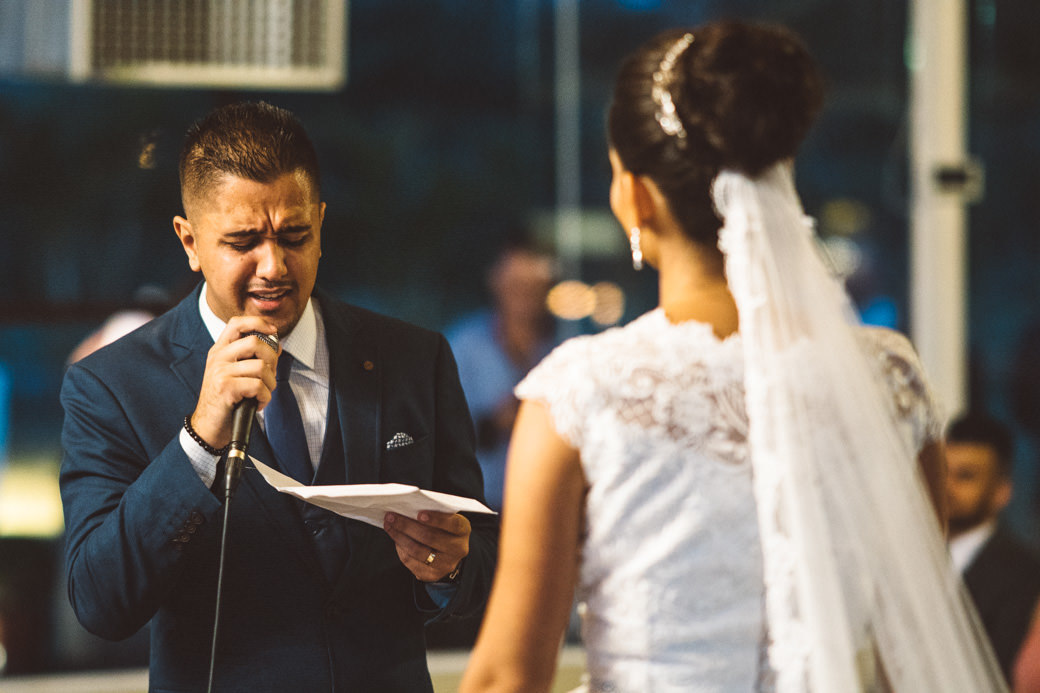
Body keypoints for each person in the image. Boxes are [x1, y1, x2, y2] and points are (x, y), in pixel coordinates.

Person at [461, 21, 1004, 692]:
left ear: (632, 194)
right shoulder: (888, 380)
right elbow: (914, 657)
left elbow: (506, 677)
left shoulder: (580, 395)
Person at [59, 101, 497, 692]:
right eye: (243, 242)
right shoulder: (110, 385)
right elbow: (100, 603)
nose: (274, 266)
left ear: (320, 223)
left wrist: (451, 567)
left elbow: (483, 560)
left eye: (295, 236)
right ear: (190, 242)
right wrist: (198, 440)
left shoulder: (415, 359)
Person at [446, 234, 556, 512]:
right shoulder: (463, 346)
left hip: (549, 502)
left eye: (531, 288)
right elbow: (445, 435)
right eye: (515, 287)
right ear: (495, 281)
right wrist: (498, 421)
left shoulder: (565, 345)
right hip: (479, 505)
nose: (523, 297)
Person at [946, 413, 1040, 685]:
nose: (948, 487)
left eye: (966, 476)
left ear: (1002, 491)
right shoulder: (912, 559)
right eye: (943, 473)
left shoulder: (1025, 573)